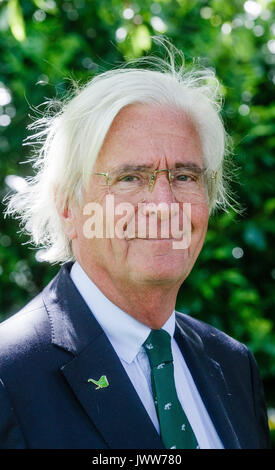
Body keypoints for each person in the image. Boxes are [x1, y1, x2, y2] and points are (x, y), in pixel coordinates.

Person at [1, 45, 270, 449]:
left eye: (184, 176)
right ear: (67, 205)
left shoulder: (232, 365)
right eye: (130, 178)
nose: (163, 207)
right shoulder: (9, 376)